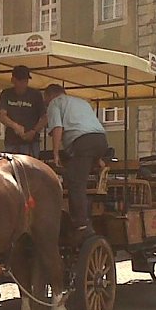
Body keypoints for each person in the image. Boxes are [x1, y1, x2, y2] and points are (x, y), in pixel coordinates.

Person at [43, 84, 108, 243]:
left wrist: (56, 153)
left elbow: (57, 128)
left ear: (49, 96)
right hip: (100, 140)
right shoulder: (81, 102)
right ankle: (86, 213)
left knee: (75, 183)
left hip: (82, 142)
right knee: (80, 175)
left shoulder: (54, 104)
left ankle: (81, 224)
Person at [0, 65, 47, 157]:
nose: (23, 83)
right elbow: (2, 116)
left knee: (31, 169)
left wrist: (34, 131)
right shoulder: (6, 94)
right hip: (11, 142)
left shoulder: (36, 95)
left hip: (31, 142)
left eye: (25, 81)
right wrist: (15, 126)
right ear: (13, 80)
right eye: (20, 80)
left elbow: (45, 117)